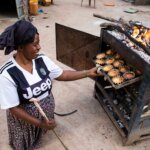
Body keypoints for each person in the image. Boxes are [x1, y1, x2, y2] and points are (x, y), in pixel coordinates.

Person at [0, 20, 99, 150]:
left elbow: (62, 75)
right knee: (25, 144)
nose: (39, 47)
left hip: (44, 115)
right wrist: (40, 123)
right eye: (35, 44)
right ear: (20, 47)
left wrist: (87, 73)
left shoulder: (42, 60)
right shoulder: (7, 74)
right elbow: (14, 108)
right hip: (25, 121)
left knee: (39, 136)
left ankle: (39, 133)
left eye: (39, 43)